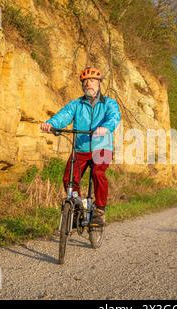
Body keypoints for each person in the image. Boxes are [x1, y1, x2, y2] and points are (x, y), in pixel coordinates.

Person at [40, 67, 121, 226]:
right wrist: (51, 124)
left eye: (91, 81)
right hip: (81, 148)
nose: (88, 84)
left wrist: (106, 127)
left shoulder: (109, 103)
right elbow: (63, 116)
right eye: (85, 82)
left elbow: (114, 116)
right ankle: (77, 207)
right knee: (68, 178)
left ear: (99, 83)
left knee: (98, 173)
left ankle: (99, 210)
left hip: (102, 147)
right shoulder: (76, 104)